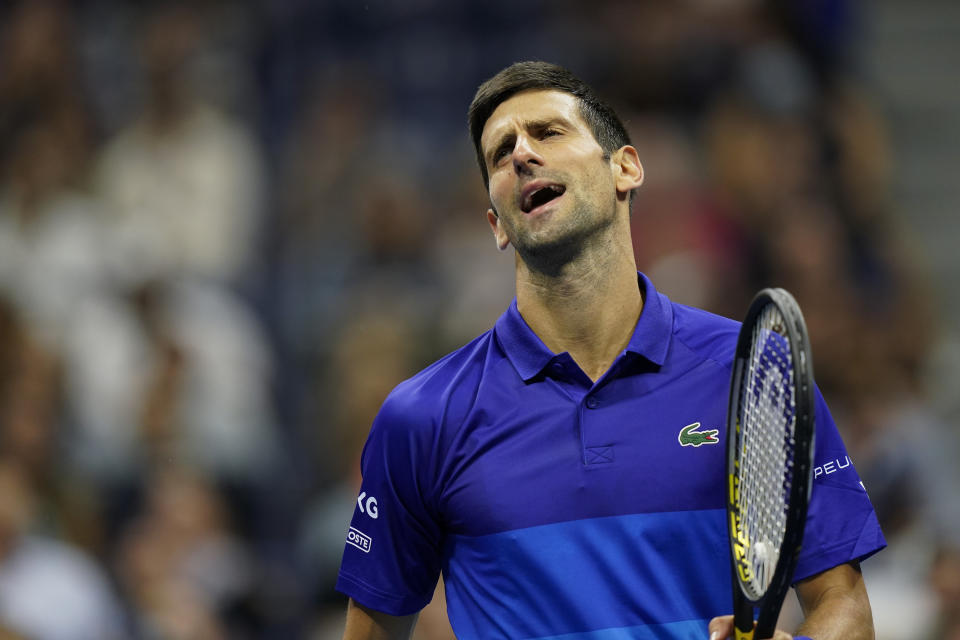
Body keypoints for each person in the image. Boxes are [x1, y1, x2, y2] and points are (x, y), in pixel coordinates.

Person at [335, 61, 885, 640]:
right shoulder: (422, 416)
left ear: (626, 167)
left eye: (548, 133)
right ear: (497, 224)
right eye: (501, 154)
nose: (521, 154)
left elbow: (844, 607)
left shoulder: (753, 375)